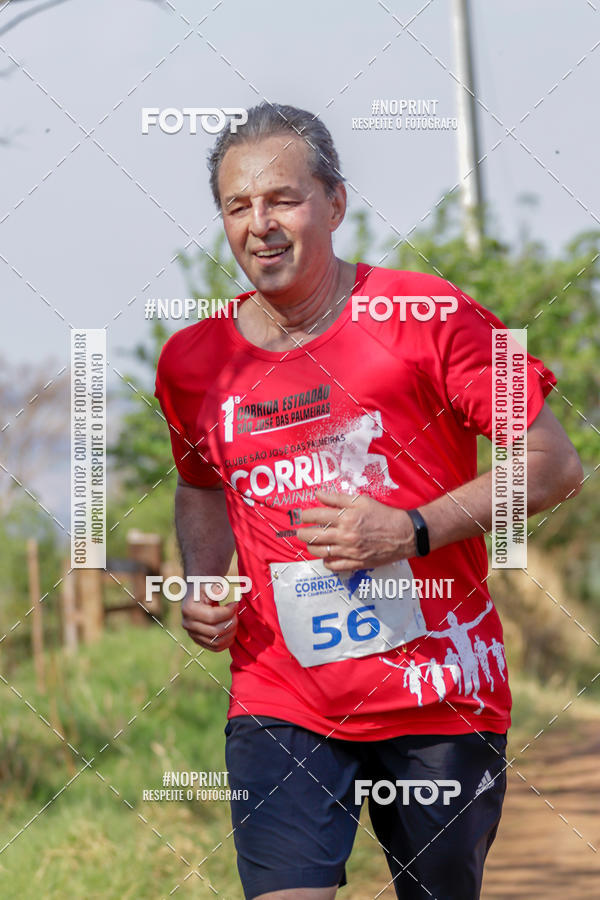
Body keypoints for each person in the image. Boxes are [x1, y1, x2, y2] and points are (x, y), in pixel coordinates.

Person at [154, 103, 583, 900]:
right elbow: (199, 483)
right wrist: (206, 580)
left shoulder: (432, 314)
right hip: (280, 695)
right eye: (238, 206)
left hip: (438, 693)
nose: (259, 224)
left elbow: (556, 465)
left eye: (283, 199)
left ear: (335, 203)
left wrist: (412, 529)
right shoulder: (193, 361)